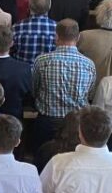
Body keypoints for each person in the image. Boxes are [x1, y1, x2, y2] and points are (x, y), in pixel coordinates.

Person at [31, 19, 96, 149]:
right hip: (77, 124)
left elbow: (34, 90)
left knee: (43, 154)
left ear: (56, 36)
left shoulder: (41, 61)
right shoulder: (89, 64)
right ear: (78, 37)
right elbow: (90, 94)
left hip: (47, 122)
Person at [11, 0, 57, 64]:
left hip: (22, 70)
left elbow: (10, 52)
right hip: (47, 70)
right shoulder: (57, 28)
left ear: (29, 6)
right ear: (49, 6)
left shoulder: (16, 27)